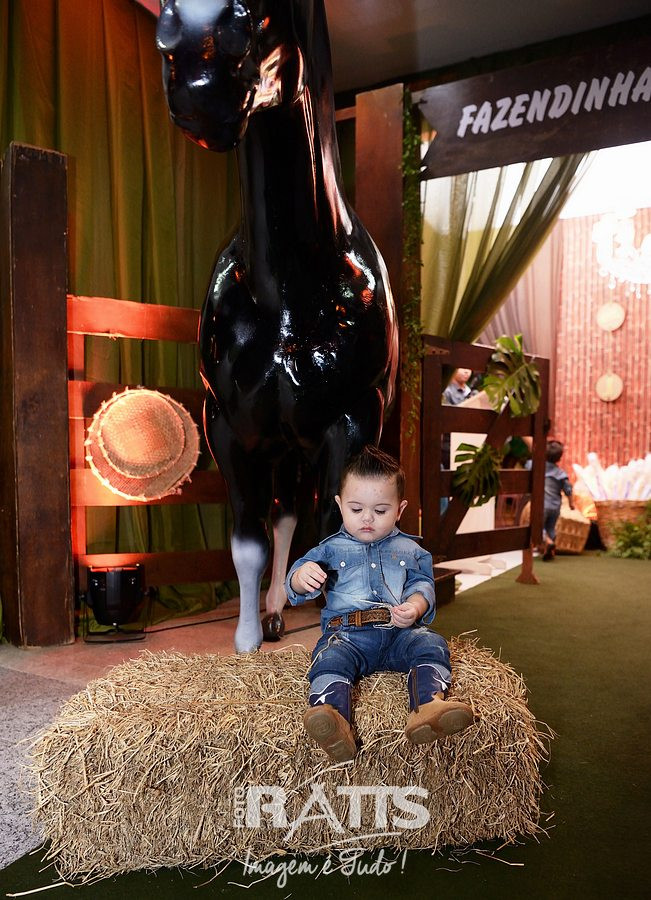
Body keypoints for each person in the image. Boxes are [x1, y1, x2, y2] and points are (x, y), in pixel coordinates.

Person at [285, 445, 474, 762]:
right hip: (347, 636)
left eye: (381, 511)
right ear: (340, 505)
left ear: (399, 509)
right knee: (330, 657)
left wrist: (415, 607)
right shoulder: (330, 549)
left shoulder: (411, 550)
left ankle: (427, 706)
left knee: (431, 643)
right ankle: (333, 718)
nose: (367, 518)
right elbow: (294, 580)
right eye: (356, 509)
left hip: (399, 634)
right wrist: (301, 577)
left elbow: (422, 586)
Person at [526, 439, 575, 560]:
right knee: (550, 528)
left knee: (538, 527)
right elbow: (568, 489)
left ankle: (548, 542)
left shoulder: (534, 465)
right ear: (559, 458)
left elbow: (527, 465)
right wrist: (571, 504)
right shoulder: (560, 473)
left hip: (541, 504)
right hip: (555, 506)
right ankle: (549, 549)